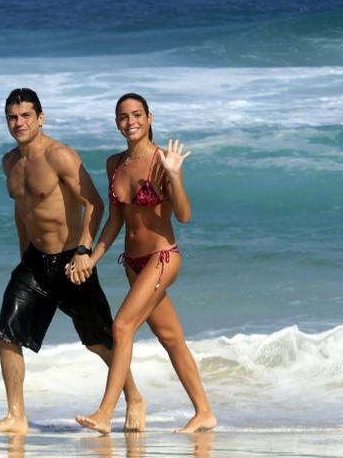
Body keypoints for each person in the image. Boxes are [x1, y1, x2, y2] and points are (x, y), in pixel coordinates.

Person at [0, 88, 146, 434]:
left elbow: (94, 204)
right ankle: (16, 416)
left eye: (26, 115)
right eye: (12, 117)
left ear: (41, 118)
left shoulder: (61, 157)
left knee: (99, 341)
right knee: (7, 332)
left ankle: (134, 397)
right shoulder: (9, 162)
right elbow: (22, 210)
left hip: (72, 261)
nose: (19, 122)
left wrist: (85, 251)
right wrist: (23, 256)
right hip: (34, 263)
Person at [74, 93, 216, 434]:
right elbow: (115, 221)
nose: (130, 121)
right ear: (116, 122)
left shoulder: (163, 160)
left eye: (137, 114)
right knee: (170, 338)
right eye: (123, 116)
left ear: (150, 118)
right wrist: (91, 257)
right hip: (133, 263)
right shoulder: (114, 164)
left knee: (121, 327)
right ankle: (204, 413)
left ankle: (105, 413)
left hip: (162, 257)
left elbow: (184, 215)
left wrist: (175, 176)